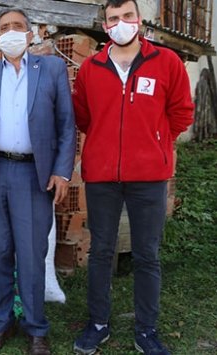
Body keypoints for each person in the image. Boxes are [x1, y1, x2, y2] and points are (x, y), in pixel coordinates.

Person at [71, 1, 194, 354]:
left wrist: (153, 142)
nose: (120, 23)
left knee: (146, 255)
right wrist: (106, 145)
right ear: (105, 24)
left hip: (149, 176)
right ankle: (97, 324)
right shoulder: (91, 68)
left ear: (138, 20)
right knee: (100, 252)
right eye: (113, 18)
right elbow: (83, 117)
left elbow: (182, 112)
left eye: (127, 16)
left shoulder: (166, 62)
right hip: (102, 176)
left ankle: (146, 330)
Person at [0, 8, 76, 355]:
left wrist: (61, 171)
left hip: (33, 175)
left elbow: (66, 125)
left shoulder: (53, 69)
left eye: (17, 27)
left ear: (30, 35)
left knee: (30, 254)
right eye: (4, 28)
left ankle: (36, 328)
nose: (10, 32)